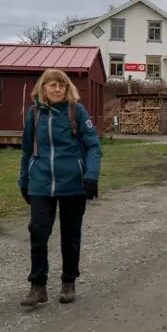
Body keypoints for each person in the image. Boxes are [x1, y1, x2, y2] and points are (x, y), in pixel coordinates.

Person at [18, 68, 102, 307]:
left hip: (73, 183)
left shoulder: (77, 111)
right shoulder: (34, 114)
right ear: (43, 88)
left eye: (61, 85)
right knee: (38, 232)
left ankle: (68, 281)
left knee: (70, 235)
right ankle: (37, 286)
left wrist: (91, 177)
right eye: (52, 85)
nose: (57, 89)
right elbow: (26, 150)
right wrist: (24, 180)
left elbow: (93, 146)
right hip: (41, 183)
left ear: (67, 88)